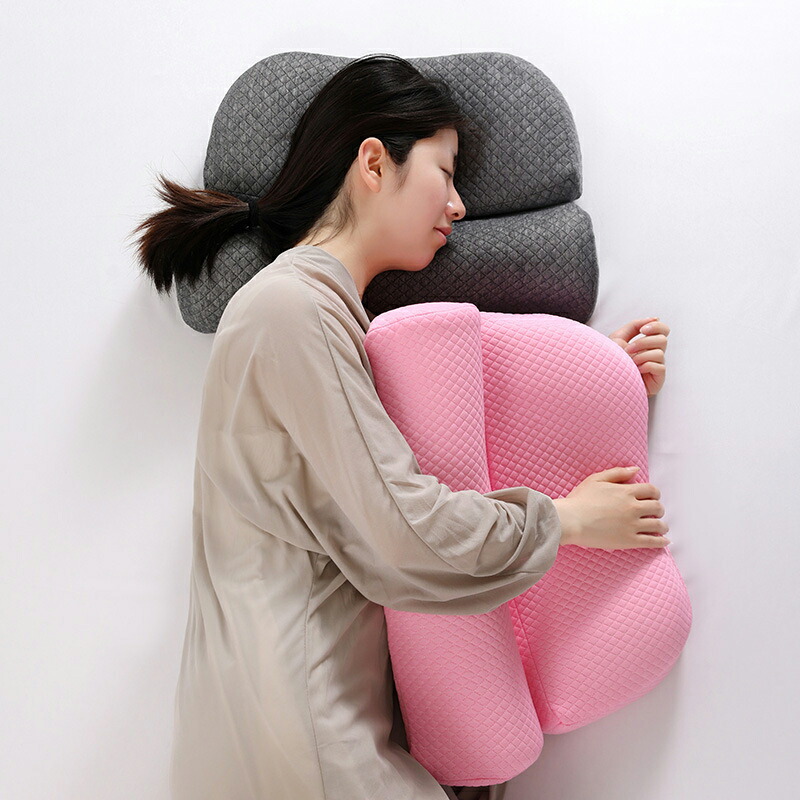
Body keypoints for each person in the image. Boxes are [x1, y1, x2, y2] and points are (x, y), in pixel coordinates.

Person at [131, 53, 671, 800]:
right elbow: (404, 535)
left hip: (299, 732)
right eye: (445, 172)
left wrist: (591, 379)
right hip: (305, 742)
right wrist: (569, 521)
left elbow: (430, 446)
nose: (458, 205)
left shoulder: (316, 319)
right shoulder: (292, 311)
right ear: (374, 164)